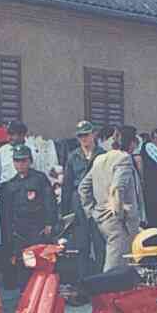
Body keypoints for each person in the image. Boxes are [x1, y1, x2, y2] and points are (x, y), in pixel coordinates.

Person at [79, 126, 144, 271]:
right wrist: (119, 213)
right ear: (131, 142)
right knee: (114, 263)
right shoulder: (124, 158)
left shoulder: (100, 159)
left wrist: (92, 211)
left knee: (123, 259)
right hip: (119, 219)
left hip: (103, 217)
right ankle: (106, 290)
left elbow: (83, 187)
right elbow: (117, 188)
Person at [0, 144, 58, 286]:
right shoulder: (9, 185)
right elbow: (6, 214)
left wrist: (50, 223)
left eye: (24, 160)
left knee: (41, 265)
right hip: (19, 233)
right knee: (23, 266)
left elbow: (50, 201)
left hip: (38, 229)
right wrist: (8, 236)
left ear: (30, 161)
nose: (20, 164)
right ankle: (25, 296)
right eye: (17, 161)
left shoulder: (39, 179)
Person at [62, 120, 106, 279]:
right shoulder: (73, 156)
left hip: (97, 200)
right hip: (78, 201)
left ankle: (103, 281)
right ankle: (83, 282)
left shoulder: (102, 154)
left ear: (93, 134)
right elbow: (67, 184)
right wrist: (66, 211)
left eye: (86, 135)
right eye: (80, 136)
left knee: (100, 243)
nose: (84, 139)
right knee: (82, 244)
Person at [0, 121, 28, 187]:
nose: (9, 137)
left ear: (22, 135)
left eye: (12, 134)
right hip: (6, 190)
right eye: (8, 134)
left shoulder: (32, 150)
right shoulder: (2, 151)